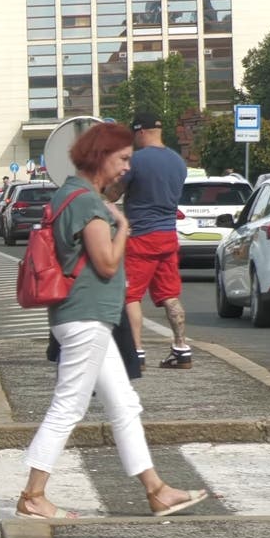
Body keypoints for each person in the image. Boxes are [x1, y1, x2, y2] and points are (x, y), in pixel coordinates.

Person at [15, 122, 208, 520]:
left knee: (124, 404)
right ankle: (33, 495)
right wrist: (123, 226)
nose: (126, 168)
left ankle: (156, 490)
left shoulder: (70, 193)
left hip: (85, 316)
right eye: (122, 159)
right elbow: (105, 263)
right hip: (86, 316)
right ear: (101, 157)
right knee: (68, 406)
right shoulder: (87, 202)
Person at [105, 111, 191, 370]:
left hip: (140, 237)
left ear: (140, 131)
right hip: (168, 235)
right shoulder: (178, 162)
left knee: (130, 296)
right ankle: (181, 349)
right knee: (170, 294)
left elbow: (113, 192)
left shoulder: (137, 161)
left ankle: (136, 353)